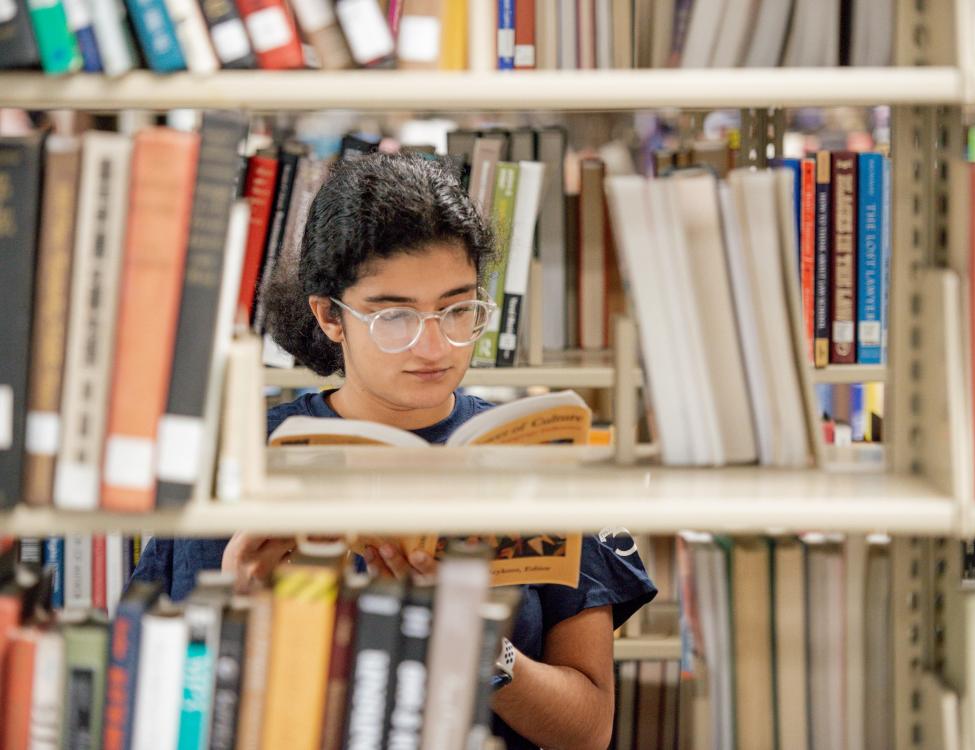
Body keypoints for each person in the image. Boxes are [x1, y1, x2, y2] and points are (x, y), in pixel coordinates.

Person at [132, 153, 656, 750]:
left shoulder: (538, 454)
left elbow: (588, 730)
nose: (434, 345)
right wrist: (238, 609)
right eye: (394, 316)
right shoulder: (239, 463)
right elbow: (153, 716)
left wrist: (474, 639)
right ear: (330, 316)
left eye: (458, 309)